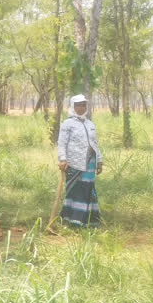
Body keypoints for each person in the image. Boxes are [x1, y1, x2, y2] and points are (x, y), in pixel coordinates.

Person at [56, 94, 102, 227]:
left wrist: (99, 160)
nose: (81, 108)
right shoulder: (67, 124)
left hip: (90, 163)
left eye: (83, 105)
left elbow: (95, 143)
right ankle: (72, 219)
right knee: (76, 189)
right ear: (72, 107)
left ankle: (88, 220)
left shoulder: (90, 123)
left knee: (87, 188)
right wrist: (62, 159)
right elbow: (62, 143)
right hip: (74, 163)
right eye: (78, 105)